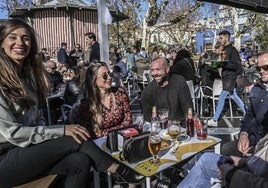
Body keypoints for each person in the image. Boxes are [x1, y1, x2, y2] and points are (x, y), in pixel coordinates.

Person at [0, 18, 143, 188]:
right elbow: (12, 133)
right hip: (5, 157)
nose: (20, 43)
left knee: (80, 161)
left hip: (28, 150)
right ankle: (120, 171)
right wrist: (60, 131)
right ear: (2, 41)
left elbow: (38, 116)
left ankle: (117, 171)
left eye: (25, 38)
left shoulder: (29, 77)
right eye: (13, 37)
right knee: (73, 137)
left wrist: (47, 133)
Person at [221, 51, 268, 157]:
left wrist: (255, 151)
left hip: (264, 149)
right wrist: (243, 135)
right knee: (226, 149)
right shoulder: (256, 89)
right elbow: (249, 117)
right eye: (258, 68)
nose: (261, 71)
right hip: (252, 140)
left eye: (266, 67)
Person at [69, 61, 132, 137]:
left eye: (110, 74)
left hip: (121, 137)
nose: (109, 78)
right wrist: (112, 132)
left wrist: (107, 133)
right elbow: (89, 131)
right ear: (94, 79)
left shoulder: (120, 92)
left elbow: (128, 120)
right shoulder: (87, 103)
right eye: (104, 76)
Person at [207, 30, 246, 126]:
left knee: (221, 98)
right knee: (234, 96)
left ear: (227, 38)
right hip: (227, 77)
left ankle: (215, 120)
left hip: (230, 77)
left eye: (221, 38)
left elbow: (238, 65)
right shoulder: (225, 50)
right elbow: (224, 63)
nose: (219, 40)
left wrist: (225, 64)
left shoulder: (232, 50)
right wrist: (214, 65)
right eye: (219, 38)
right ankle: (248, 112)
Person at [141, 57, 193, 123]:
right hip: (159, 128)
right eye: (152, 70)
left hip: (180, 127)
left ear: (167, 69)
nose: (154, 73)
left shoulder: (179, 82)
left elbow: (188, 108)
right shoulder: (148, 92)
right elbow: (147, 117)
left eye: (157, 69)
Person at [177, 151, 268, 188]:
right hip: (250, 166)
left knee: (205, 162)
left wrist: (231, 173)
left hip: (249, 178)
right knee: (206, 158)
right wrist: (244, 161)